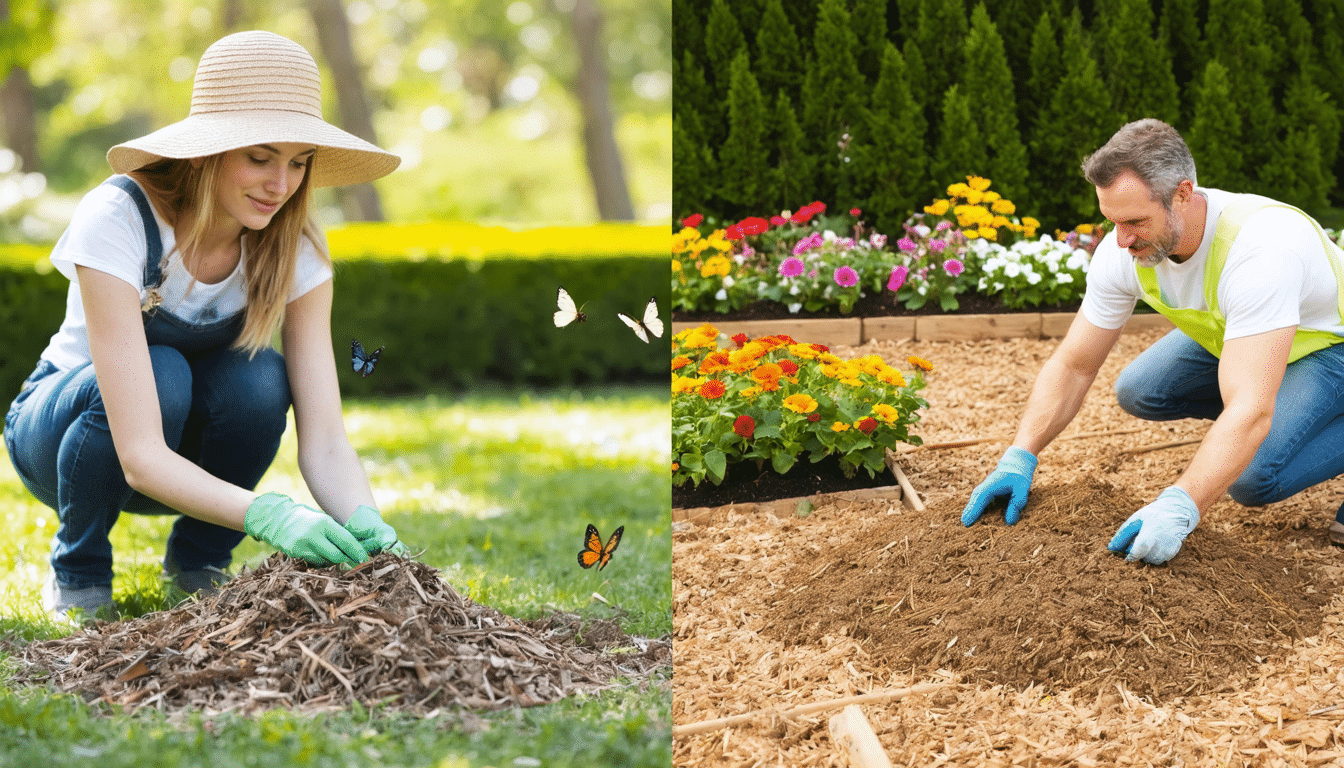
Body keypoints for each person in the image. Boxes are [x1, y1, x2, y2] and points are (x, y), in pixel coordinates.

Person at [3, 30, 407, 622]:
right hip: (64, 441)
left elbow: (324, 438)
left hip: (184, 458)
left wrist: (367, 523)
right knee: (164, 370)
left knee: (262, 377)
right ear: (204, 152)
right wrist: (270, 514)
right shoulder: (120, 216)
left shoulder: (297, 252)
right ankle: (79, 569)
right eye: (260, 157)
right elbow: (140, 454)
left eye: (298, 163)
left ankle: (198, 563)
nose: (280, 185)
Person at [961, 118, 1344, 565]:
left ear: (1182, 194)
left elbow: (1250, 407)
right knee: (1141, 390)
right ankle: (1262, 429)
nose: (1121, 239)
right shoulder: (1124, 250)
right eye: (1112, 221)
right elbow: (1075, 365)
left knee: (1256, 476)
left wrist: (1182, 503)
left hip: (1328, 346)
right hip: (1249, 338)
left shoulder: (1261, 249)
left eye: (1135, 222)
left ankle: (1278, 430)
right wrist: (1019, 453)